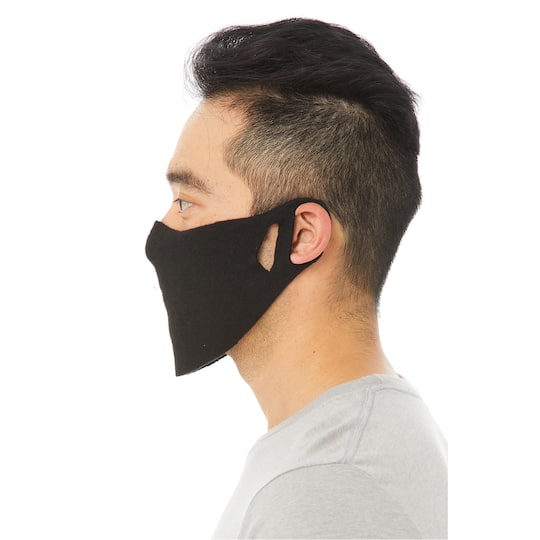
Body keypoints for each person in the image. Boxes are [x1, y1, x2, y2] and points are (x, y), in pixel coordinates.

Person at [146, 18, 448, 539]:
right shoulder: (344, 441)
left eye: (187, 202)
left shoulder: (328, 484)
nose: (163, 233)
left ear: (300, 236)